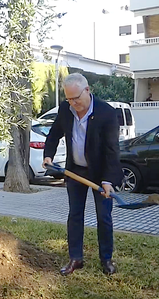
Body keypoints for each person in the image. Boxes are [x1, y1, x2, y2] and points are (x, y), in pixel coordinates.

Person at [42, 73, 121, 276]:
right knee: (75, 215)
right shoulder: (65, 109)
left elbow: (112, 150)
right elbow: (54, 133)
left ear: (87, 90)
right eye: (69, 99)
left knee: (104, 217)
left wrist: (108, 180)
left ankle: (106, 259)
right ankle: (75, 258)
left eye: (76, 98)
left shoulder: (107, 113)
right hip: (75, 170)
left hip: (100, 173)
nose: (73, 103)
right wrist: (48, 155)